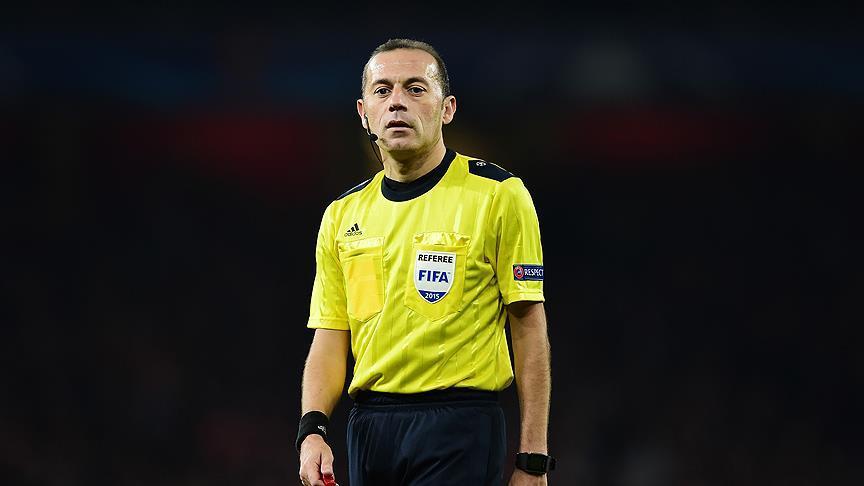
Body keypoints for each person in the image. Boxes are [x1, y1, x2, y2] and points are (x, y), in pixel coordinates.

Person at [296, 38, 553, 486]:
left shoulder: (498, 195)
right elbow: (331, 333)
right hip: (369, 428)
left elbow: (528, 326)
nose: (397, 101)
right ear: (364, 113)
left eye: (415, 88)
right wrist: (312, 430)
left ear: (447, 108)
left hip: (460, 423)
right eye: (383, 90)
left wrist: (532, 459)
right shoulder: (342, 215)